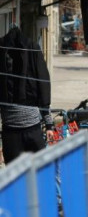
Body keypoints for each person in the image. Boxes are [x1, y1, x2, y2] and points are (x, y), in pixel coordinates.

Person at [0, 26, 55, 164]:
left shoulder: (5, 49)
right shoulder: (32, 48)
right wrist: (49, 124)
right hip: (30, 129)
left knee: (15, 175)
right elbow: (43, 85)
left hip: (11, 130)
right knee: (40, 171)